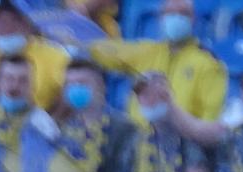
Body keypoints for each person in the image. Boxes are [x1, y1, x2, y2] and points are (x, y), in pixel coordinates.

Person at [91, 0, 225, 128]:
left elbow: (211, 121)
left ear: (193, 19)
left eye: (183, 13)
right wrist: (78, 43)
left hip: (182, 142)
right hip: (139, 141)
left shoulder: (208, 64)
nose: (176, 18)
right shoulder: (147, 52)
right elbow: (107, 53)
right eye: (170, 13)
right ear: (161, 18)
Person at [0, 2, 65, 129]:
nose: (6, 27)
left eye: (15, 20)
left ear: (29, 24)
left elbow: (68, 100)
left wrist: (47, 123)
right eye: (0, 21)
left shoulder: (56, 56)